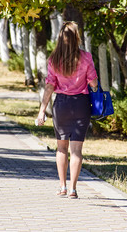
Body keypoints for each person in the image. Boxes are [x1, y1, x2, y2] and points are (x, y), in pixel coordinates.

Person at [36, 22, 98, 199]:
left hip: (61, 105)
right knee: (76, 150)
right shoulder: (86, 57)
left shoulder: (53, 59)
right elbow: (93, 83)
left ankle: (62, 186)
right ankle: (73, 189)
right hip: (81, 104)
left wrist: (42, 111)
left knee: (61, 148)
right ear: (76, 37)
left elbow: (49, 87)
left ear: (60, 38)